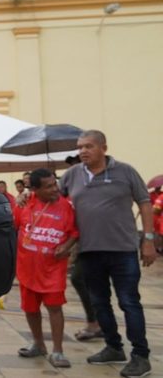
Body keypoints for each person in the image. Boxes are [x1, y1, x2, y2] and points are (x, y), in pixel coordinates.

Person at [59, 129, 156, 378]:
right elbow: (56, 202)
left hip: (122, 250)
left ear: (104, 148)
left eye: (88, 146)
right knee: (100, 303)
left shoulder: (125, 171)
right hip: (89, 251)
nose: (82, 151)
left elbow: (144, 202)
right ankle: (113, 347)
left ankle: (140, 355)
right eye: (80, 147)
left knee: (129, 302)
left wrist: (148, 240)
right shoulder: (72, 175)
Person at [15, 168, 78, 368]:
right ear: (34, 189)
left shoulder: (66, 207)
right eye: (49, 186)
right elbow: (11, 225)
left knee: (54, 308)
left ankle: (58, 351)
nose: (55, 189)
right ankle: (38, 344)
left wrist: (66, 247)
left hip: (52, 270)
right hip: (27, 269)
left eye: (55, 183)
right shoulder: (25, 204)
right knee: (30, 309)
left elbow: (75, 233)